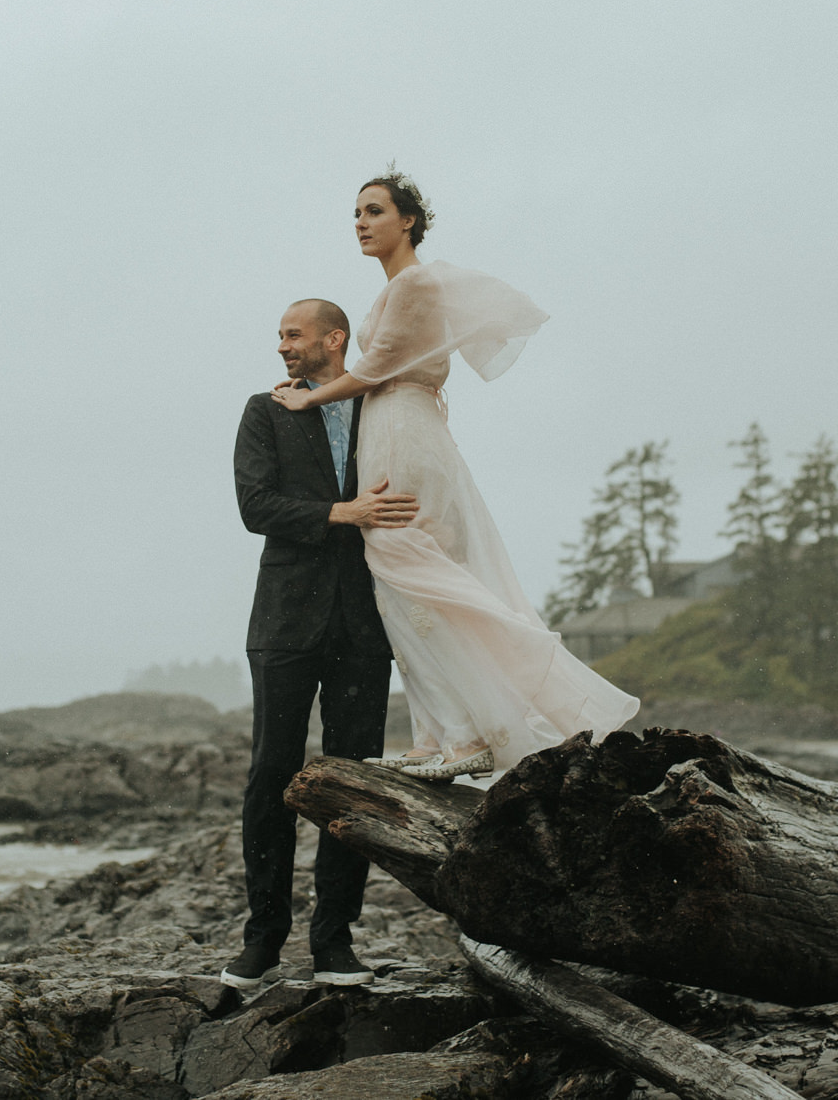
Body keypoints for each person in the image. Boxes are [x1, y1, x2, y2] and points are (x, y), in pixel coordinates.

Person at [272, 172, 640, 780]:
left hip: (403, 433)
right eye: (355, 215)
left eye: (374, 211)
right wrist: (314, 386)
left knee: (403, 565)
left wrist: (309, 401)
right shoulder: (399, 289)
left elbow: (380, 364)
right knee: (405, 583)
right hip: (398, 426)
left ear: (407, 220)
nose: (361, 223)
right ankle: (436, 734)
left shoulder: (415, 282)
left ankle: (468, 734)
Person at [224, 298, 420, 991]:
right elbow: (256, 505)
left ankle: (335, 942)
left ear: (334, 340)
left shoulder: (380, 409)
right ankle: (263, 938)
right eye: (279, 334)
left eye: (293, 334)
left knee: (356, 782)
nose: (282, 345)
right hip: (284, 620)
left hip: (366, 622)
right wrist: (344, 511)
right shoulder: (264, 410)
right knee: (271, 775)